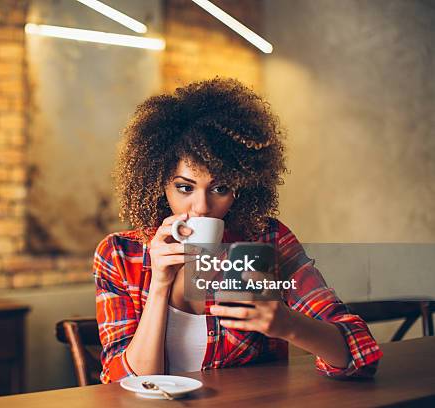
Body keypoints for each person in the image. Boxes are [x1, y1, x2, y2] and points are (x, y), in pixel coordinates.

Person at [93, 78, 382, 384]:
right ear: (158, 182)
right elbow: (123, 385)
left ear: (242, 188)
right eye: (184, 187)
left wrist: (287, 324)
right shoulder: (120, 255)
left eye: (220, 187)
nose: (201, 206)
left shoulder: (265, 240)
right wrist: (160, 286)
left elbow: (361, 355)